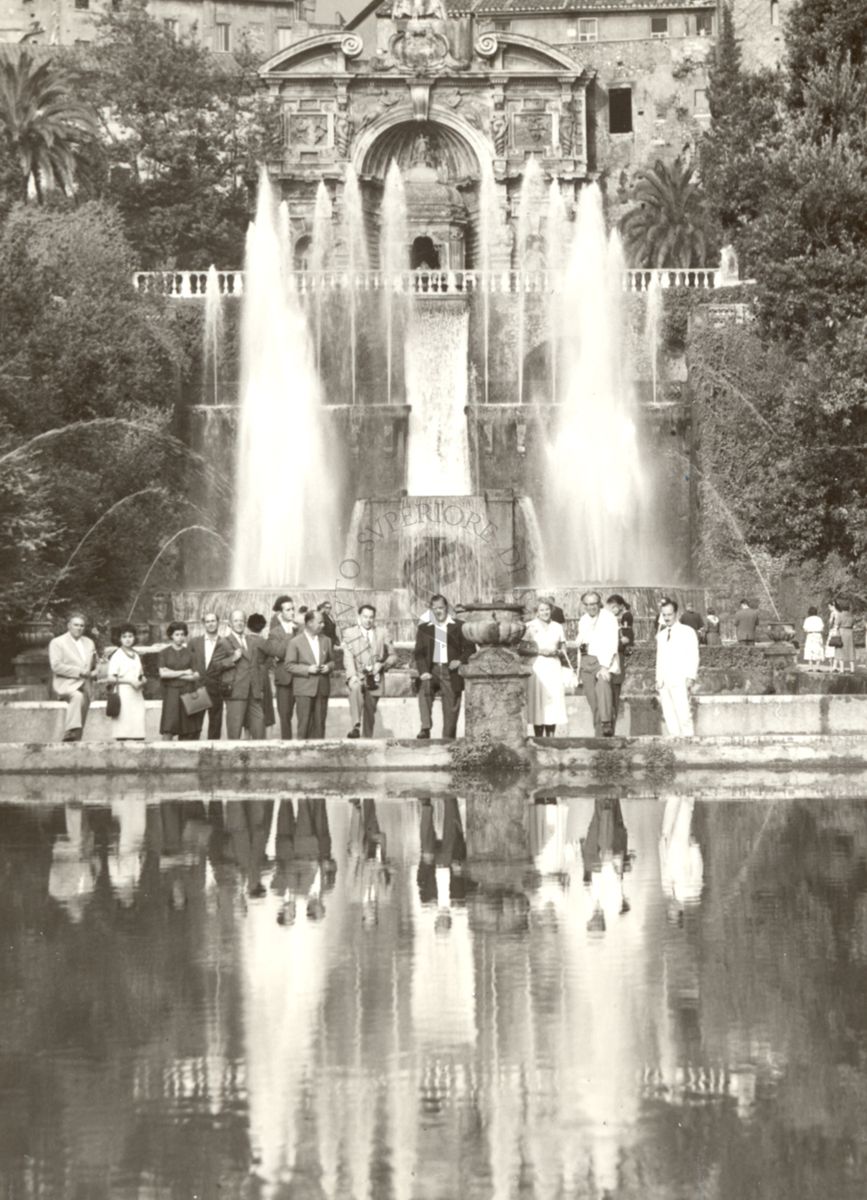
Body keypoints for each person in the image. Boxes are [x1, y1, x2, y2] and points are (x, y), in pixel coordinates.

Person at [413, 594, 473, 739]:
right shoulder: (424, 628)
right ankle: (425, 728)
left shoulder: (459, 626)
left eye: (440, 608)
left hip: (450, 672)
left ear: (446, 608)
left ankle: (448, 739)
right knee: (424, 687)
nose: (438, 611)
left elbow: (471, 649)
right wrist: (423, 671)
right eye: (434, 609)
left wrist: (459, 660)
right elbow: (419, 653)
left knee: (452, 708)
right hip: (432, 670)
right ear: (431, 610)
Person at [342, 604, 397, 738]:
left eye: (371, 617)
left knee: (370, 712)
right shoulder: (349, 633)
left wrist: (382, 664)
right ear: (359, 617)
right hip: (357, 676)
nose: (368, 620)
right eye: (365, 617)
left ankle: (367, 742)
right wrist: (351, 675)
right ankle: (356, 726)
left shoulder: (382, 632)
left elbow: (393, 656)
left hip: (375, 678)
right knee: (355, 689)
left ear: (374, 618)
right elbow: (348, 656)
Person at [49, 611, 98, 742]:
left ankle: (75, 744)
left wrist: (97, 671)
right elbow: (56, 666)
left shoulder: (89, 642)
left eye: (82, 626)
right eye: (76, 625)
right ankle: (70, 732)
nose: (79, 628)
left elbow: (95, 664)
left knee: (82, 716)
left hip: (86, 685)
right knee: (77, 696)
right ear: (68, 626)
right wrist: (79, 672)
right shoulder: (57, 642)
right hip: (66, 684)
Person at [522, 597, 568, 736]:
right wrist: (540, 651)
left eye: (547, 609)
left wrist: (558, 652)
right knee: (538, 699)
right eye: (541, 610)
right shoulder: (529, 626)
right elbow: (522, 648)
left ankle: (551, 736)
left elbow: (563, 647)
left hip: (553, 666)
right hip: (537, 666)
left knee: (553, 699)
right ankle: (538, 736)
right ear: (537, 612)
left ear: (551, 610)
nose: (545, 612)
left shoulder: (557, 626)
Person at [576, 591, 620, 737]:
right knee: (594, 704)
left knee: (604, 693)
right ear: (584, 605)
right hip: (586, 662)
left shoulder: (609, 618)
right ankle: (599, 739)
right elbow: (581, 643)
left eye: (593, 604)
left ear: (599, 603)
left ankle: (607, 726)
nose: (591, 607)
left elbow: (613, 643)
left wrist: (605, 666)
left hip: (602, 662)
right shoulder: (583, 620)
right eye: (587, 604)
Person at [287, 608, 334, 739]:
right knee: (304, 725)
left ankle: (319, 754)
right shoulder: (295, 642)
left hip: (322, 688)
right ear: (309, 623)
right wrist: (307, 669)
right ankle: (301, 754)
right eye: (320, 622)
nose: (323, 625)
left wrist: (328, 667)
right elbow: (289, 665)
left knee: (320, 725)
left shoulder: (326, 640)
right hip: (304, 689)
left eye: (323, 622)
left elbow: (332, 661)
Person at [655, 599, 700, 737]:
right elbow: (659, 658)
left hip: (680, 678)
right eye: (664, 615)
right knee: (669, 714)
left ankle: (688, 740)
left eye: (669, 614)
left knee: (683, 713)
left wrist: (691, 677)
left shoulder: (687, 631)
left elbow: (694, 655)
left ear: (676, 613)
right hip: (664, 680)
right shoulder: (661, 635)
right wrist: (658, 679)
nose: (667, 618)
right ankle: (674, 742)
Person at [222, 609, 269, 739]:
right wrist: (232, 659)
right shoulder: (224, 642)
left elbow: (257, 665)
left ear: (245, 623)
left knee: (260, 730)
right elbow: (215, 666)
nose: (239, 623)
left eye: (241, 620)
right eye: (236, 620)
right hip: (236, 692)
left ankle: (259, 758)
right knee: (235, 733)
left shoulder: (251, 641)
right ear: (230, 624)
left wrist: (259, 688)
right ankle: (233, 759)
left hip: (254, 692)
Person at [188, 612, 233, 739]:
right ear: (204, 624)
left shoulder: (226, 642)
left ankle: (213, 754)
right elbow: (188, 663)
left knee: (215, 725)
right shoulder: (194, 642)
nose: (211, 624)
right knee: (194, 726)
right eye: (208, 621)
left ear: (218, 622)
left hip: (217, 688)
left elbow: (231, 662)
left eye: (213, 621)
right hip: (197, 687)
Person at [158, 621, 201, 741]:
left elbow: (195, 676)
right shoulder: (164, 653)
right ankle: (164, 756)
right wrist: (185, 672)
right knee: (169, 728)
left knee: (188, 729)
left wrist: (171, 673)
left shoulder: (191, 654)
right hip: (171, 693)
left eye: (182, 634)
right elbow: (162, 674)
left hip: (187, 692)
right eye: (177, 634)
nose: (180, 637)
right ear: (171, 635)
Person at [265, 596, 298, 739]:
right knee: (285, 716)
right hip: (284, 679)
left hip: (302, 678)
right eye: (288, 610)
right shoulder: (274, 632)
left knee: (304, 716)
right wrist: (290, 634)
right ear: (280, 613)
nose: (292, 612)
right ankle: (287, 745)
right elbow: (278, 652)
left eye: (293, 609)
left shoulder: (301, 628)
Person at [106, 623, 147, 741]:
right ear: (119, 639)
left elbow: (140, 674)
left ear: (134, 638)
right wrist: (129, 681)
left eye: (130, 636)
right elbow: (110, 678)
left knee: (138, 729)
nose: (128, 639)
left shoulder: (136, 655)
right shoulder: (117, 655)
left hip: (137, 695)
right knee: (123, 729)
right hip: (123, 695)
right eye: (124, 636)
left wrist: (143, 679)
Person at [606, 594, 633, 724]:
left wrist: (613, 642)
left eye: (614, 607)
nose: (612, 609)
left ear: (621, 606)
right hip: (605, 661)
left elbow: (627, 638)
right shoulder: (608, 619)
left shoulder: (626, 617)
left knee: (615, 690)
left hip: (617, 658)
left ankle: (612, 721)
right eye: (610, 607)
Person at [838, 599, 856, 673]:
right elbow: (853, 625)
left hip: (842, 632)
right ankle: (852, 668)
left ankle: (842, 668)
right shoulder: (851, 615)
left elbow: (837, 624)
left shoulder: (840, 615)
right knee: (851, 649)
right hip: (850, 632)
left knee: (841, 649)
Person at [825, 599, 842, 671]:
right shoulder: (839, 613)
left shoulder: (833, 613)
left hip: (833, 631)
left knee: (831, 647)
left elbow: (831, 624)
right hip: (838, 631)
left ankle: (832, 666)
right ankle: (835, 665)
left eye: (829, 607)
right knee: (836, 648)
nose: (829, 608)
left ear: (833, 606)